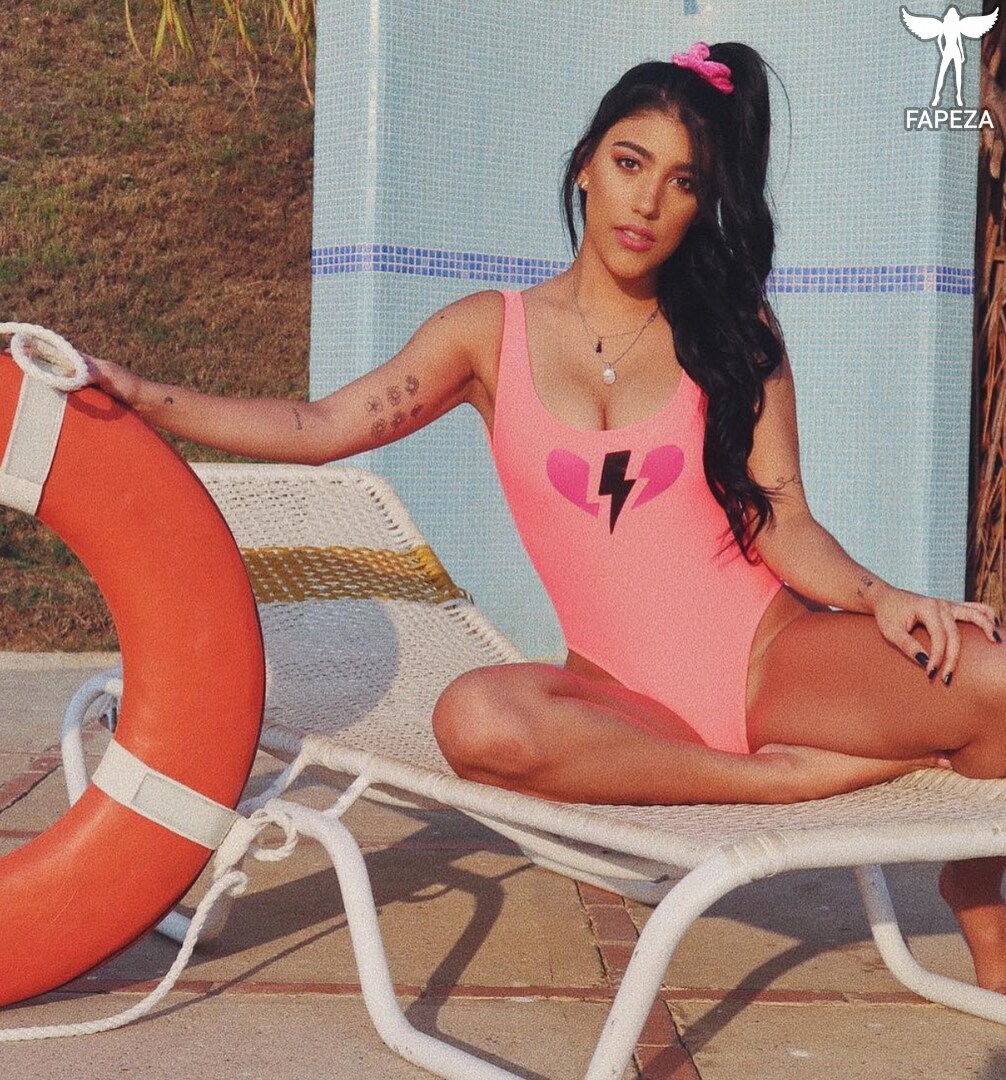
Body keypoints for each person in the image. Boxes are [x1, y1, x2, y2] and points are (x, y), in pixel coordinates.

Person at [85, 42, 1006, 991]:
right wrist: (143, 395)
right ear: (585, 166)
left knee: (994, 676)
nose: (647, 203)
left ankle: (977, 894)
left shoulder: (734, 332)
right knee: (477, 718)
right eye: (630, 163)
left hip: (772, 665)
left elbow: (783, 516)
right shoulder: (490, 335)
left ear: (702, 205)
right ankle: (775, 781)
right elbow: (320, 428)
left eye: (683, 182)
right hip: (621, 701)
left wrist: (880, 596)